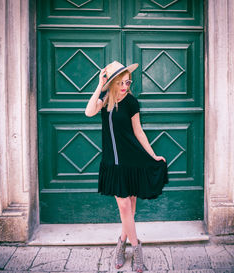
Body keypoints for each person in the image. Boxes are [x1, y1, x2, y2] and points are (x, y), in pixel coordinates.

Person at [85, 61, 169, 273]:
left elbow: (138, 131)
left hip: (133, 161)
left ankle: (121, 243)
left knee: (129, 209)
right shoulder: (105, 102)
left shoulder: (131, 102)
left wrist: (152, 155)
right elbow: (88, 112)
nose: (125, 86)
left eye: (127, 81)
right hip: (113, 164)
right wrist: (99, 85)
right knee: (124, 207)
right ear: (112, 82)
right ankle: (136, 247)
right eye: (121, 82)